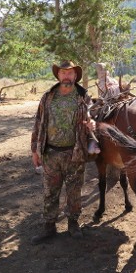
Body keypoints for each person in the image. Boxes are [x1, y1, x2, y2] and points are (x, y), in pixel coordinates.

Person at [30, 61, 94, 245]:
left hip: (75, 153)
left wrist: (92, 124)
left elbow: (92, 117)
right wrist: (35, 150)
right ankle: (49, 227)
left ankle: (73, 225)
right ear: (58, 75)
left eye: (70, 73)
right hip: (50, 154)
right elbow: (38, 122)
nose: (67, 76)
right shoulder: (48, 97)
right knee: (50, 192)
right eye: (63, 73)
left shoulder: (83, 97)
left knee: (74, 191)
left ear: (75, 76)